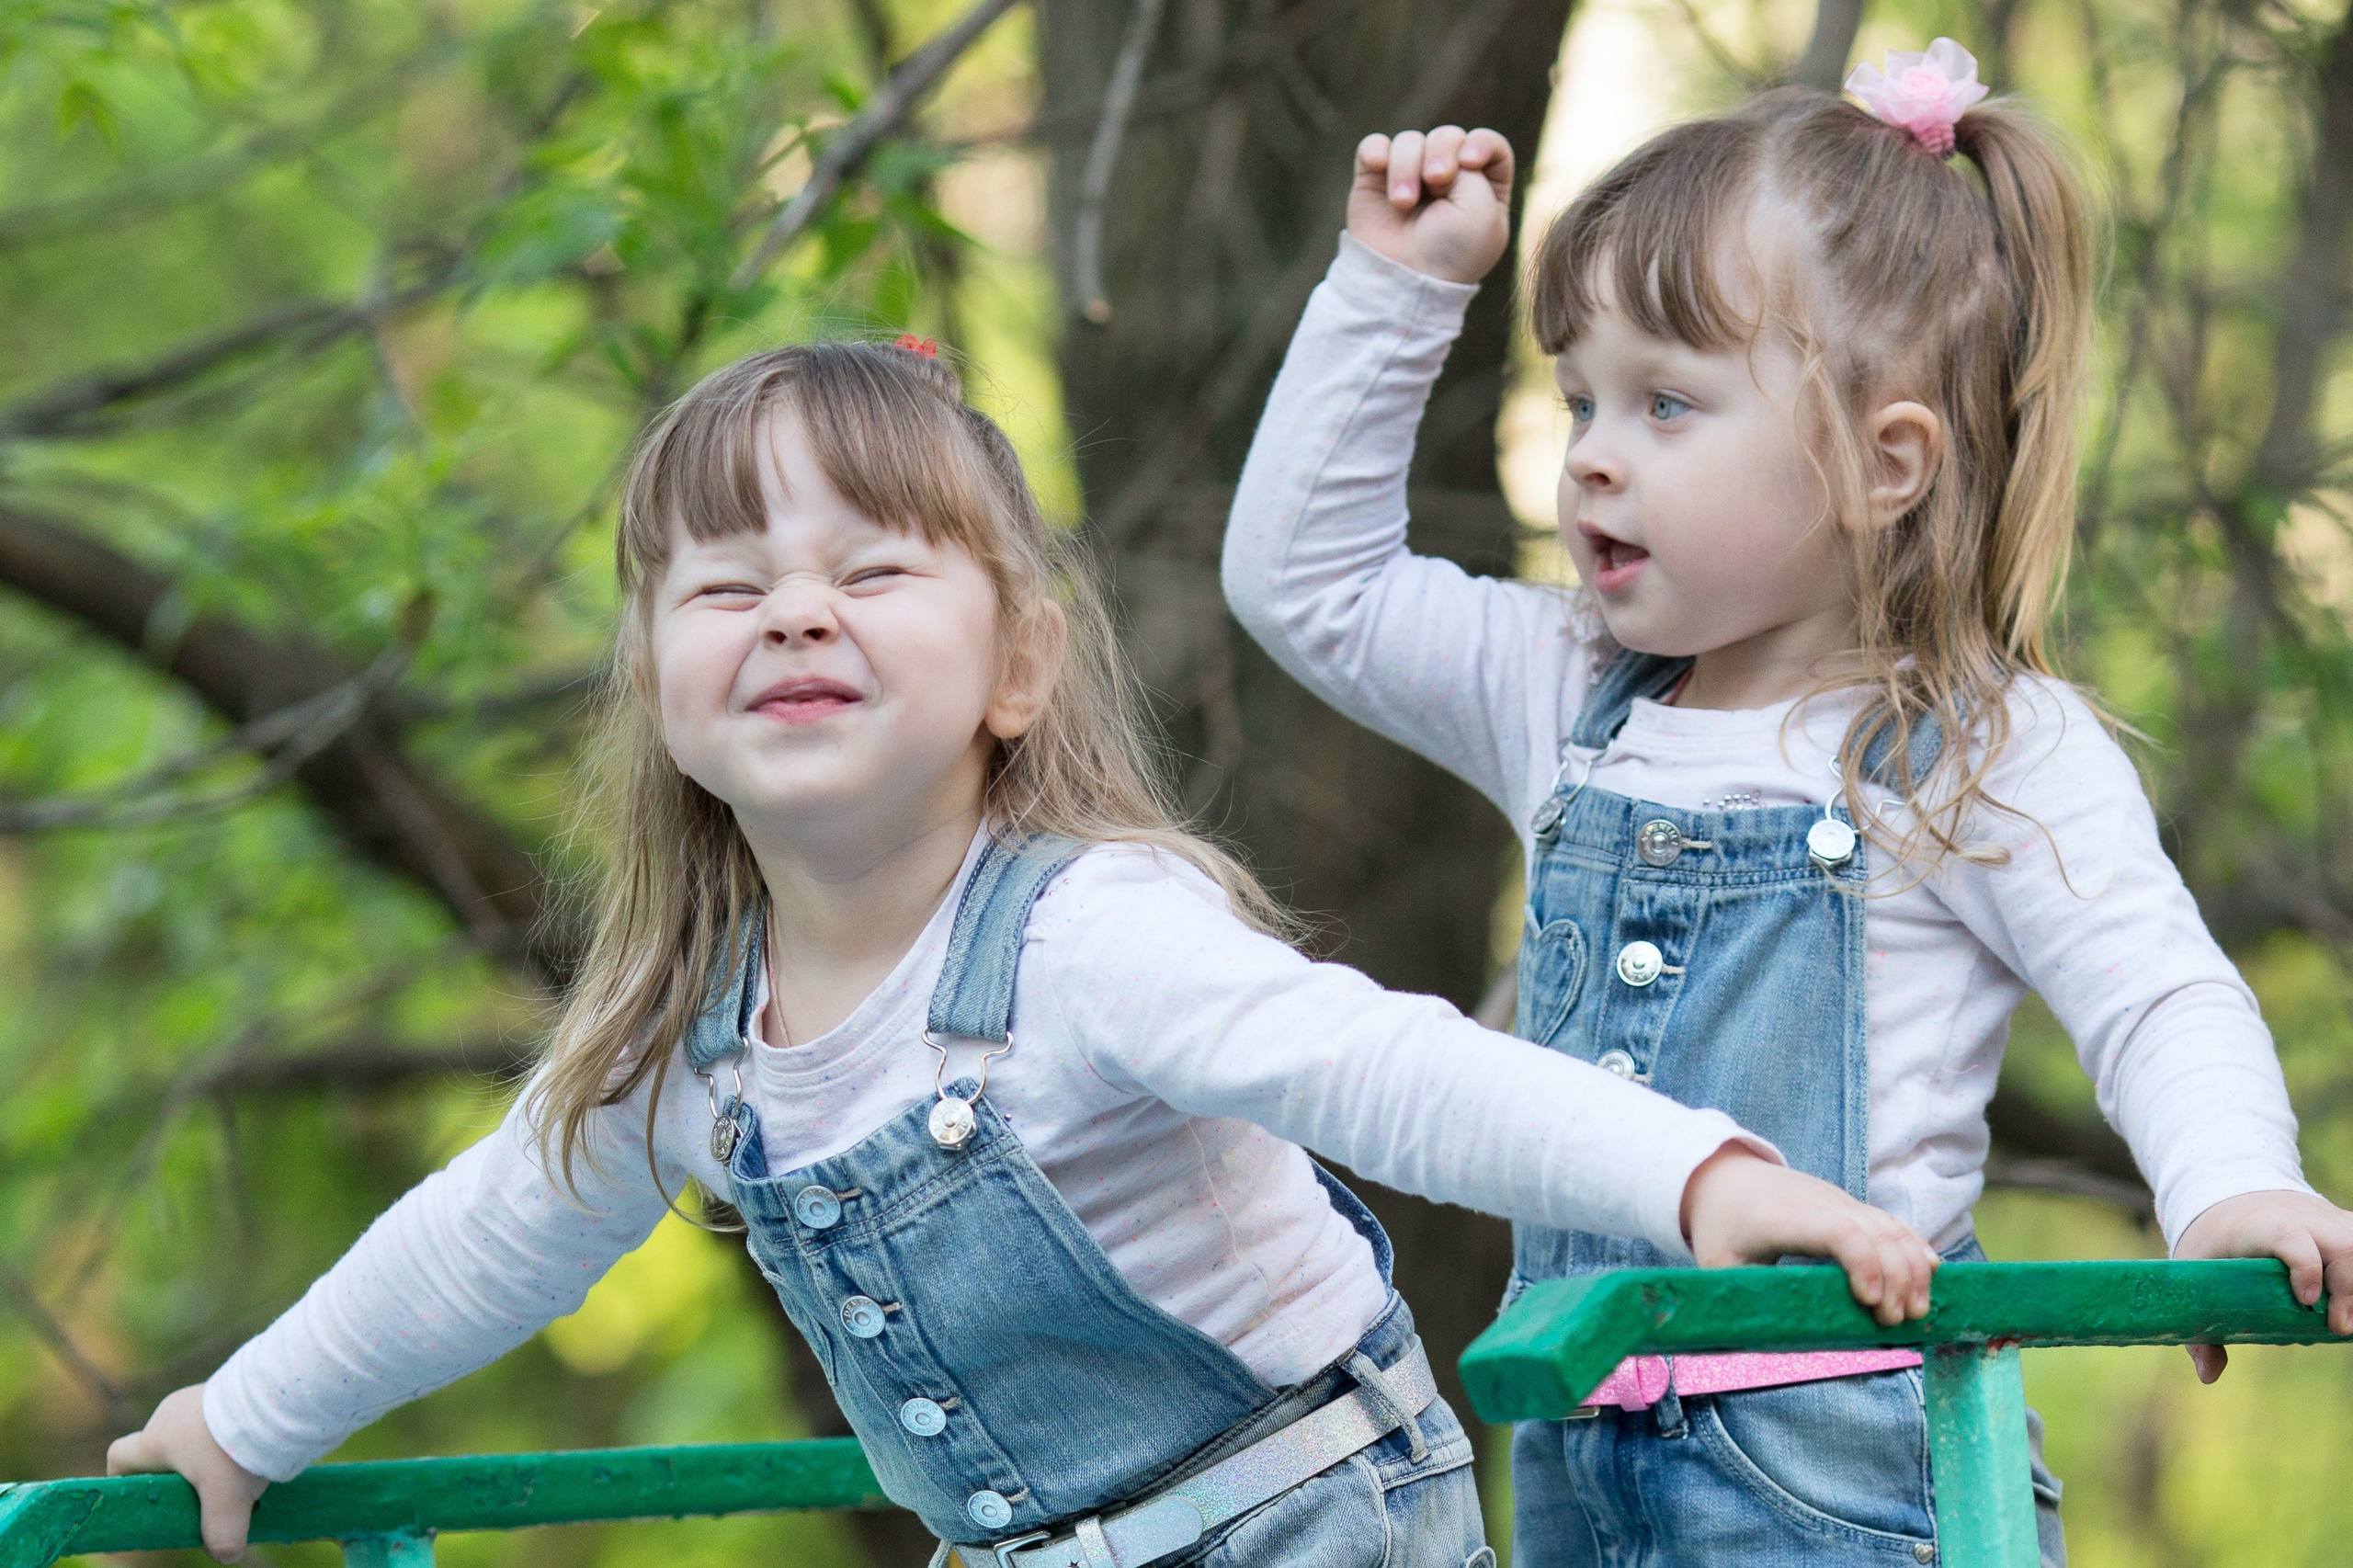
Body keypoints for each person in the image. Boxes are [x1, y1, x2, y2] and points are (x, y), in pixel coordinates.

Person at [107, 335, 1937, 1568]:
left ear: (1014, 671)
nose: (795, 607)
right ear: (660, 689)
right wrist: (238, 1422)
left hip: (1304, 1528)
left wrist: (1694, 1177)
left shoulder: (1089, 934)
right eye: (728, 585)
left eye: (872, 571)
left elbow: (1386, 1067)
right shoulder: (697, 1046)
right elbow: (492, 1229)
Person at [1222, 41, 2353, 1568]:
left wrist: (2232, 1188)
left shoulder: (1979, 743)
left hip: (1858, 1473)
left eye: (1667, 406)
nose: (1595, 460)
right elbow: (1308, 582)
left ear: (1885, 464)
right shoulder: (1570, 689)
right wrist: (1400, 293)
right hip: (1577, 1446)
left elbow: (2157, 992)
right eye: (1580, 404)